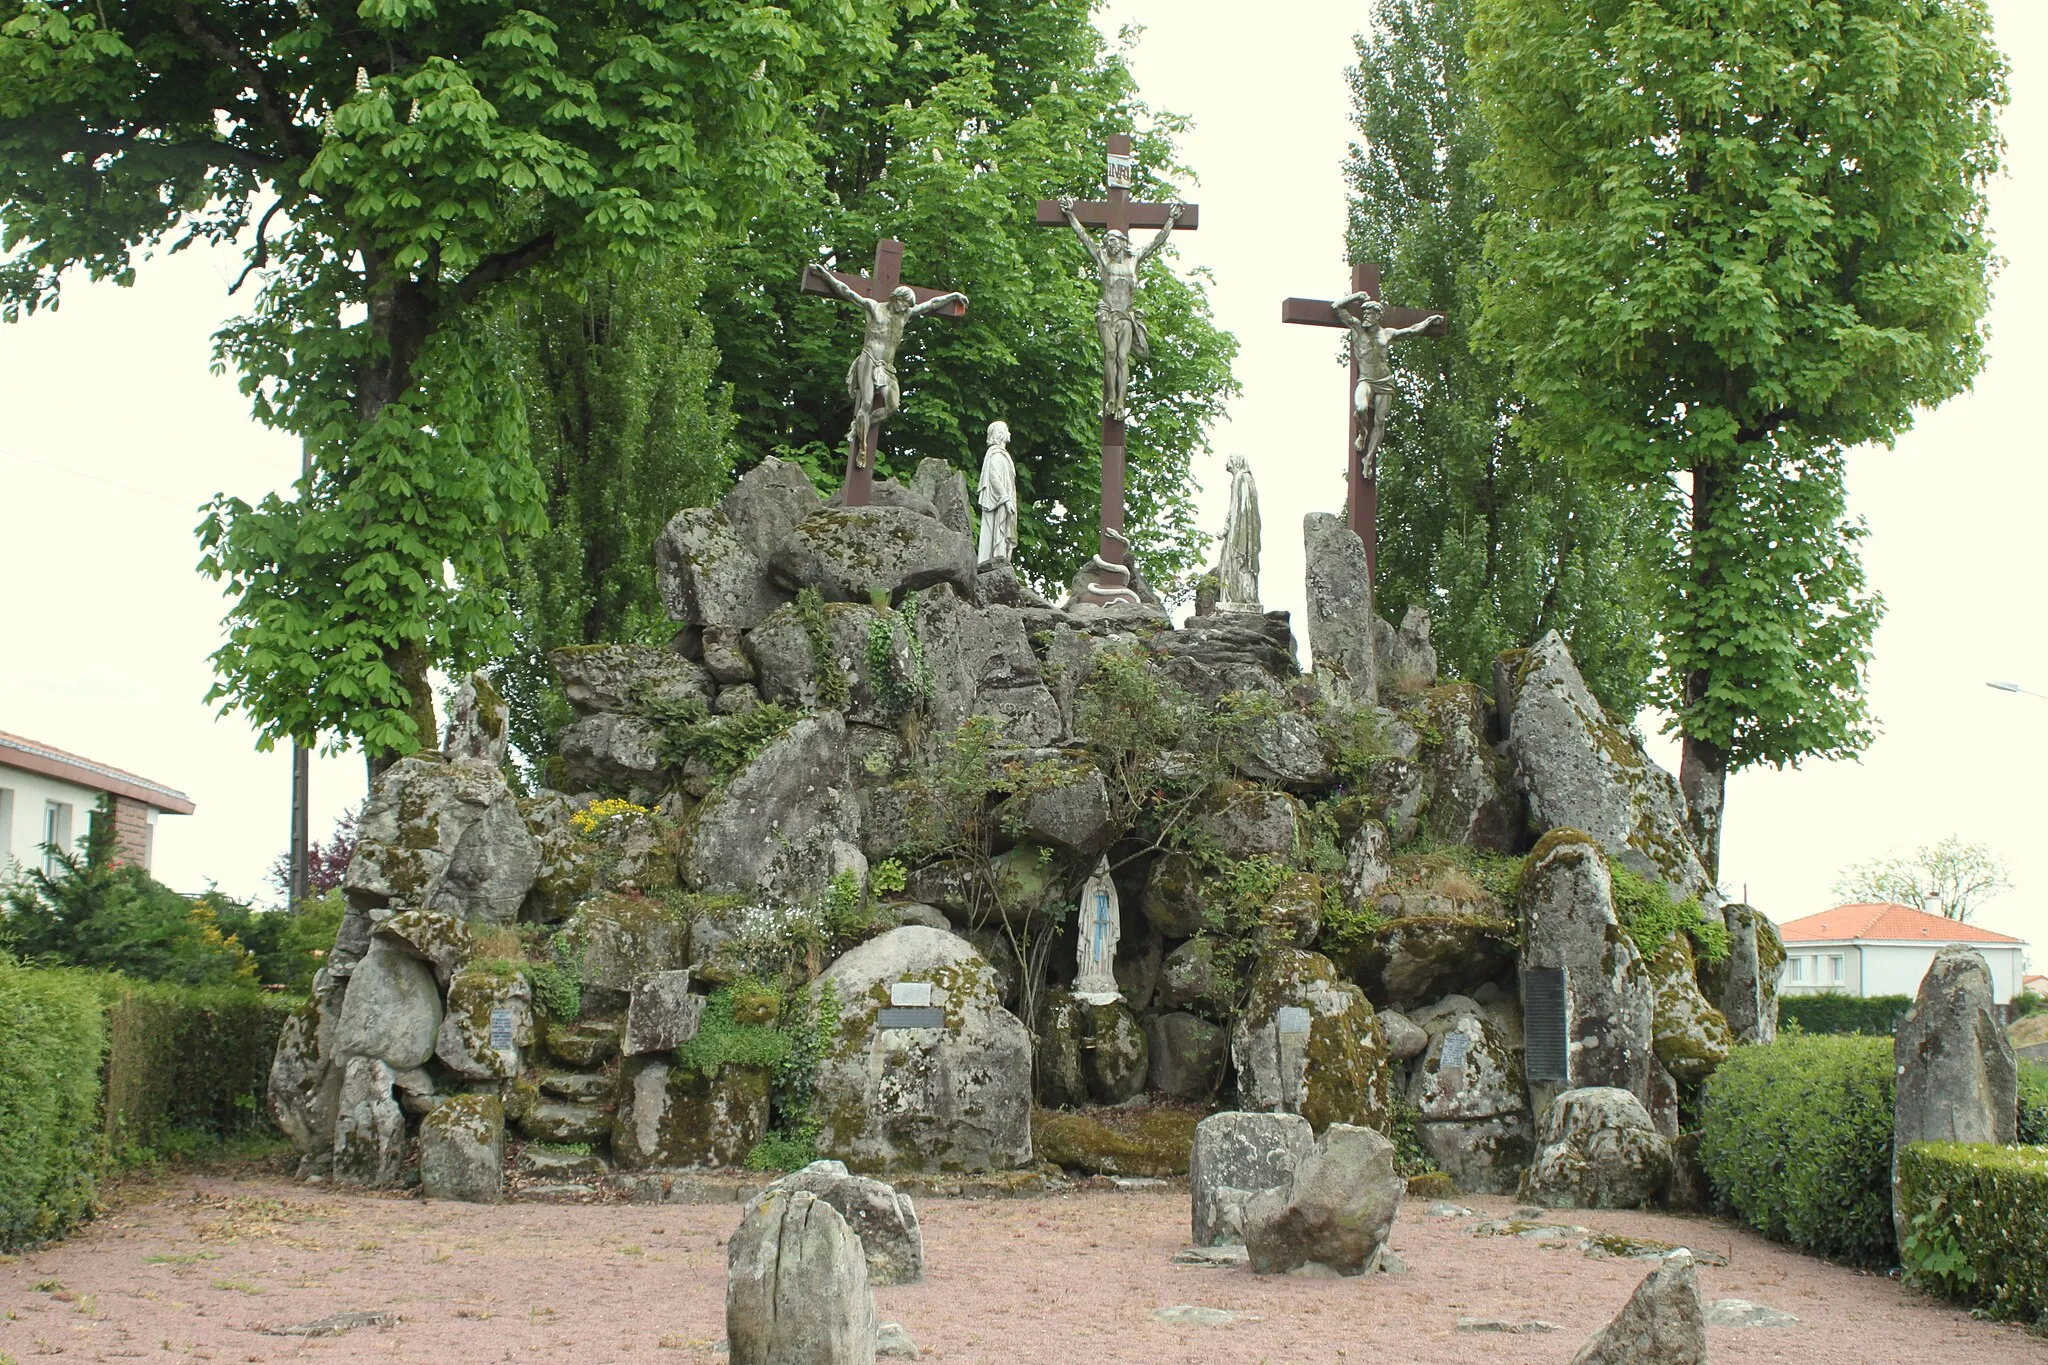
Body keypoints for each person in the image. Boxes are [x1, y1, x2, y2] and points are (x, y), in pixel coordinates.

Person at [1055, 196, 1185, 420]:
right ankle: (1111, 398)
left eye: (1114, 241)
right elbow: (1084, 237)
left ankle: (1121, 402)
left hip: (1125, 316)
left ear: (1123, 243)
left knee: (1123, 358)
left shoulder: (1133, 261)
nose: (1110, 245)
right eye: (1108, 242)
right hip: (1107, 314)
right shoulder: (1104, 261)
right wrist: (1070, 215)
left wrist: (1171, 220)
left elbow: (1157, 241)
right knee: (1111, 353)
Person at [819, 275, 968, 459]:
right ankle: (862, 449)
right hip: (870, 358)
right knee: (866, 402)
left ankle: (858, 427)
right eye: (904, 303)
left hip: (887, 367)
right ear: (895, 298)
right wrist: (825, 274)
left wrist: (952, 296)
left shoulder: (904, 316)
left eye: (908, 305)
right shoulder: (875, 308)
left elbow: (930, 304)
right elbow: (847, 292)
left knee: (892, 406)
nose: (905, 307)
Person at [1333, 292, 1439, 476]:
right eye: (1364, 313)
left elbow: (1412, 330)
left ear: (1377, 316)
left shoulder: (1386, 334)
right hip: (1366, 380)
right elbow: (1336, 307)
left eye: (1369, 313)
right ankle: (1362, 433)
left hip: (1384, 382)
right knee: (1360, 408)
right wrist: (1357, 296)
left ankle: (1368, 459)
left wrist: (1429, 320)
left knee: (1380, 421)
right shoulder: (1357, 329)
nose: (1365, 316)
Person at [976, 420, 1018, 568]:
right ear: (1000, 434)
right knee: (996, 534)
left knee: (1001, 535)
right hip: (999, 502)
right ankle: (994, 561)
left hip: (1003, 501)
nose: (1009, 433)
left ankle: (1000, 560)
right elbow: (994, 478)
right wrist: (1005, 499)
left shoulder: (1002, 455)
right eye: (1007, 430)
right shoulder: (995, 454)